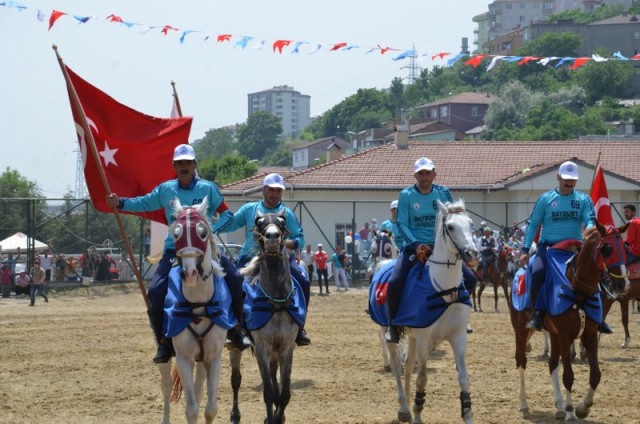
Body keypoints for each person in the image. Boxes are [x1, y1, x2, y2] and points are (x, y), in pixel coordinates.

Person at [105, 143, 251, 363]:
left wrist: (209, 232)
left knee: (236, 279)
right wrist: (121, 202)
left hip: (206, 250)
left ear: (195, 165)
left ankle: (237, 330)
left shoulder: (208, 188)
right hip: (174, 250)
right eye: (180, 163)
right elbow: (144, 202)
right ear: (174, 166)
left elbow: (227, 215)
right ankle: (164, 342)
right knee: (155, 292)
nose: (184, 167)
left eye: (188, 163)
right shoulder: (165, 189)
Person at [385, 157, 477, 343]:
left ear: (434, 173)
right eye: (421, 173)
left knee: (470, 278)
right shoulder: (406, 195)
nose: (425, 177)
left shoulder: (443, 192)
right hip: (414, 248)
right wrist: (416, 244)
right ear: (415, 175)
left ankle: (459, 318)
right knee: (395, 282)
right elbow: (401, 223)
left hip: (441, 247)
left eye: (428, 173)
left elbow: (453, 219)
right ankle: (393, 326)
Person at [217, 173, 312, 346]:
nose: (275, 195)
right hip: (250, 258)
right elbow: (230, 225)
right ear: (263, 190)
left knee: (303, 282)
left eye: (278, 191)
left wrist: (287, 243)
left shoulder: (287, 214)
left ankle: (299, 328)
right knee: (233, 282)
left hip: (281, 258)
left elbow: (300, 238)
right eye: (271, 190)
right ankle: (236, 330)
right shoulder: (249, 209)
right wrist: (218, 213)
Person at [520, 161, 612, 333]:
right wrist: (525, 250)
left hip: (575, 248)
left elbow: (590, 219)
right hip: (548, 248)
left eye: (573, 180)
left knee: (598, 273)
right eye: (566, 179)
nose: (569, 183)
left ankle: (598, 317)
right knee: (537, 271)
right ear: (558, 177)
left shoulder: (583, 200)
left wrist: (592, 232)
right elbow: (533, 224)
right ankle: (537, 313)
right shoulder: (545, 199)